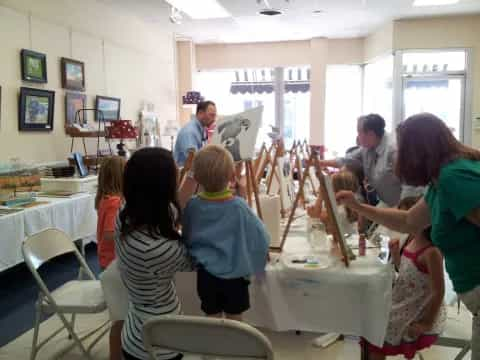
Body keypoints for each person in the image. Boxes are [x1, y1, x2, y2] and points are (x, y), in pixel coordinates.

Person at [337, 113, 480, 360]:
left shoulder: (452, 177)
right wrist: (358, 207)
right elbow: (408, 221)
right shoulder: (440, 181)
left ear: (418, 150)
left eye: (402, 149)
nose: (398, 156)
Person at [115, 148, 194, 360]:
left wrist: (193, 176)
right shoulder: (156, 249)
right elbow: (196, 261)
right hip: (159, 343)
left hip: (136, 332)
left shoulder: (125, 215)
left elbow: (172, 208)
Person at [182, 145, 270, 321]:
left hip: (206, 275)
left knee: (211, 315)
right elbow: (262, 236)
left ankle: (216, 347)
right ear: (232, 176)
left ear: (197, 177)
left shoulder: (192, 205)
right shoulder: (239, 206)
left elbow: (187, 235)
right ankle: (234, 347)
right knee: (235, 317)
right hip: (235, 276)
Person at [363, 196, 446, 360]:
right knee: (369, 317)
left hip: (417, 308)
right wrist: (395, 256)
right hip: (406, 300)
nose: (399, 224)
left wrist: (426, 323)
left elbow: (439, 291)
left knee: (377, 327)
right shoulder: (412, 240)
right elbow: (411, 274)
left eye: (403, 218)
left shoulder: (432, 252)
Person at [318, 114, 420, 207]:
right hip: (385, 202)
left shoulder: (393, 150)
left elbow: (409, 187)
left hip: (402, 205)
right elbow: (347, 160)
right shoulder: (369, 145)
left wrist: (401, 211)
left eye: (359, 132)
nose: (357, 136)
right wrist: (319, 162)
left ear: (370, 134)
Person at [95, 156, 125, 360]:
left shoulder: (105, 199)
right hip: (113, 263)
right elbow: (109, 234)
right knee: (120, 317)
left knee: (121, 316)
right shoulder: (114, 202)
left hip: (107, 260)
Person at [307, 169, 361, 236]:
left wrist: (321, 196)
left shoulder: (340, 210)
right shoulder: (343, 205)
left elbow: (321, 227)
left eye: (330, 186)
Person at [173, 100, 217, 167]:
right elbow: (194, 160)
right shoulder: (189, 132)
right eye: (211, 115)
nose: (214, 119)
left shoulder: (202, 129)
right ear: (200, 113)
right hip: (184, 175)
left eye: (215, 116)